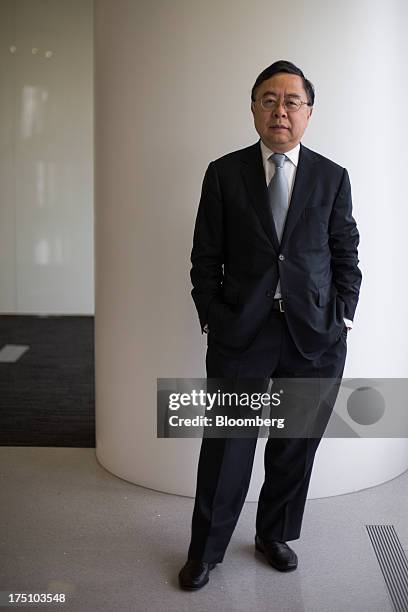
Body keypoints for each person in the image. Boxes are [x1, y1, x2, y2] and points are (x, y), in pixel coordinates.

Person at [179, 60, 362, 591]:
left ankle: (273, 535)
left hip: (314, 336)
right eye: (268, 99)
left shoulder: (332, 176)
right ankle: (206, 551)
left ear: (308, 111)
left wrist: (344, 314)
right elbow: (204, 255)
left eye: (291, 101)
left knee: (294, 443)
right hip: (243, 333)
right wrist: (212, 316)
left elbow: (345, 251)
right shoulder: (224, 173)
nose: (280, 111)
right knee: (227, 448)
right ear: (254, 107)